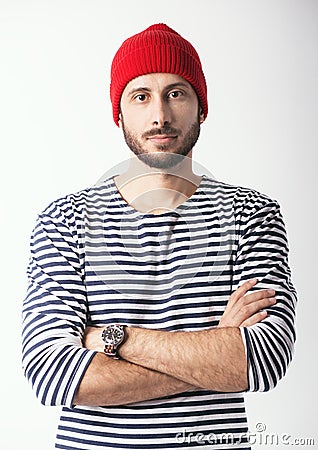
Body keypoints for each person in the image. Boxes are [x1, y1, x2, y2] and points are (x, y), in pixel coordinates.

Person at [22, 23, 297, 450]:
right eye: (141, 96)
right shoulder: (65, 221)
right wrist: (212, 354)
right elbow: (52, 376)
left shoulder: (251, 214)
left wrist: (113, 338)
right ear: (119, 114)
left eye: (176, 93)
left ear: (201, 108)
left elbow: (260, 362)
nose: (160, 116)